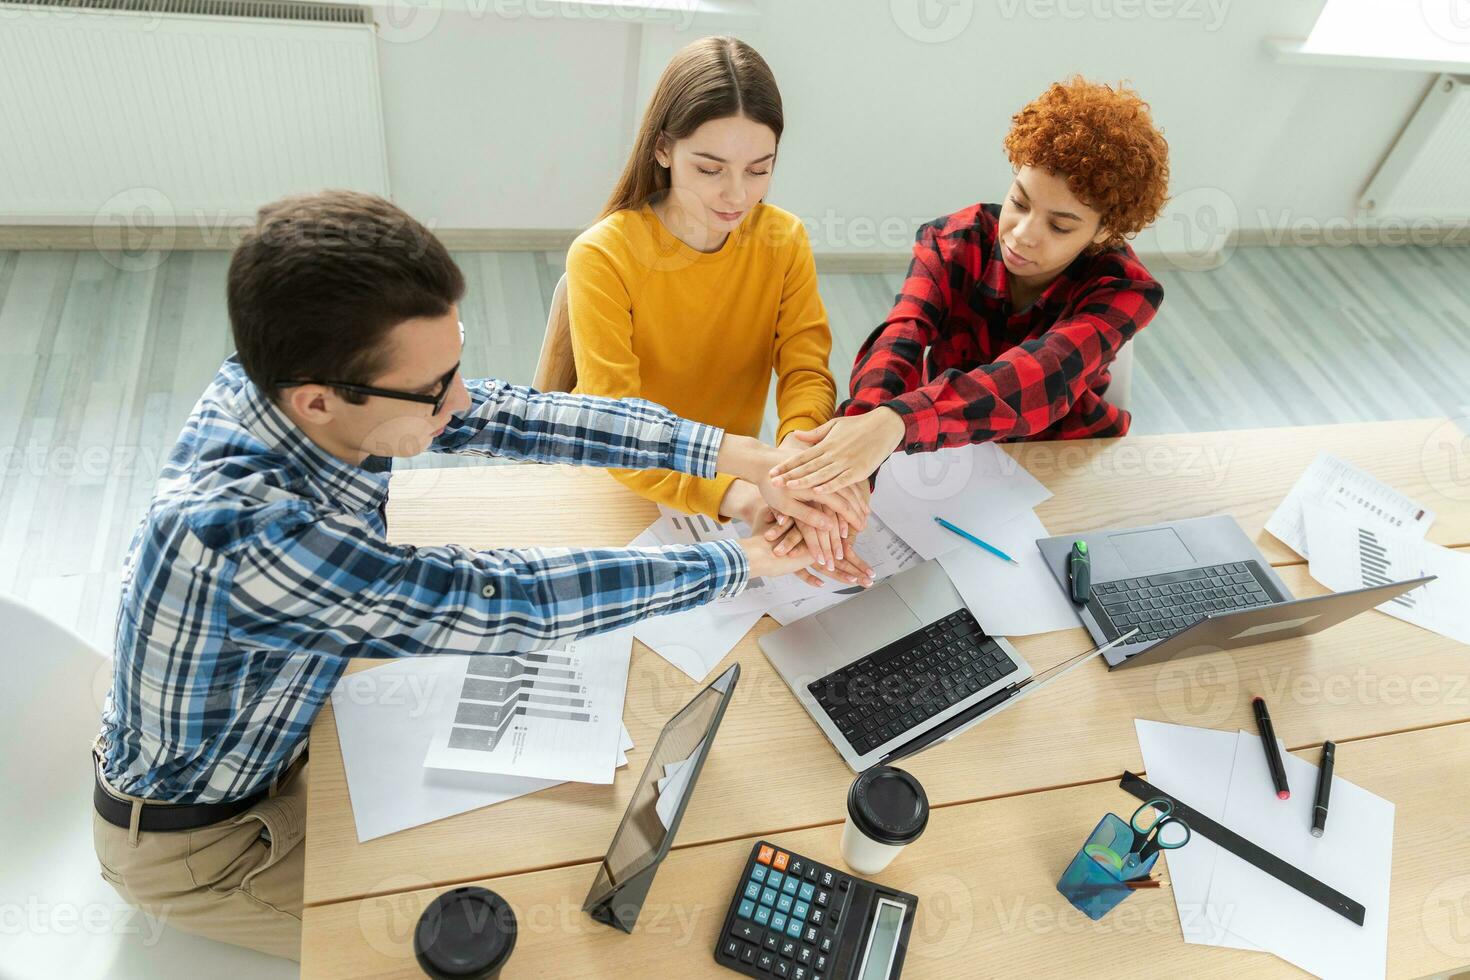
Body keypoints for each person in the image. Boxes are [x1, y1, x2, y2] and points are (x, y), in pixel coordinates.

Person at [91, 190, 828, 960]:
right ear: (317, 402)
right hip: (209, 843)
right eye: (436, 388)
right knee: (498, 949)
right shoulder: (241, 535)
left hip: (293, 727)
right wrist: (737, 560)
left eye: (457, 359)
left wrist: (747, 456)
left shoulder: (307, 380)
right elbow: (496, 602)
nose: (463, 398)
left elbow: (519, 415)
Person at [566, 35, 872, 589]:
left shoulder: (782, 239)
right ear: (663, 149)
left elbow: (805, 371)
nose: (737, 195)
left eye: (759, 169)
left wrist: (793, 472)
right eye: (710, 169)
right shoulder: (603, 255)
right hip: (626, 492)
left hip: (741, 478)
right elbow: (617, 430)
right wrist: (743, 494)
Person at [768, 76, 1170, 495]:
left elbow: (1041, 378)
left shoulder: (1126, 289)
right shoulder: (953, 242)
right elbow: (901, 336)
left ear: (1104, 234)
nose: (1022, 234)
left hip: (1060, 460)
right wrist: (861, 433)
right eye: (1019, 202)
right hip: (945, 449)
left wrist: (895, 422)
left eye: (1059, 225)